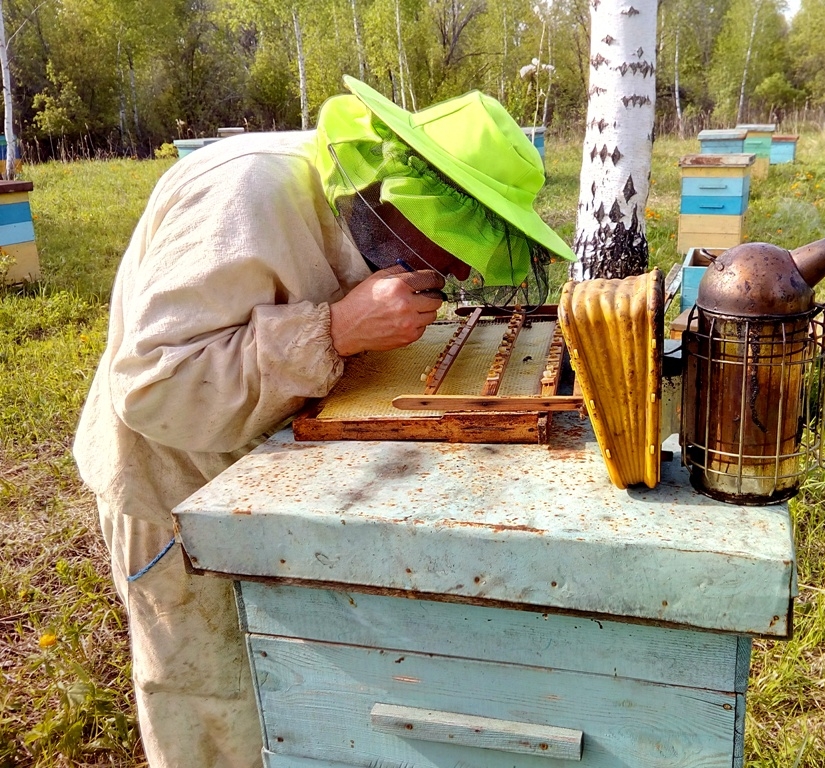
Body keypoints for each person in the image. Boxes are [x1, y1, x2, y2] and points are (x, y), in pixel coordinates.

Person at [73, 75, 575, 767]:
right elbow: (153, 387)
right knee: (212, 702)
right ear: (397, 195)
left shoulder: (359, 214)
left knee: (304, 697)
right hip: (176, 490)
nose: (455, 272)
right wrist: (336, 329)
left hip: (272, 477)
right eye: (446, 247)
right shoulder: (245, 193)